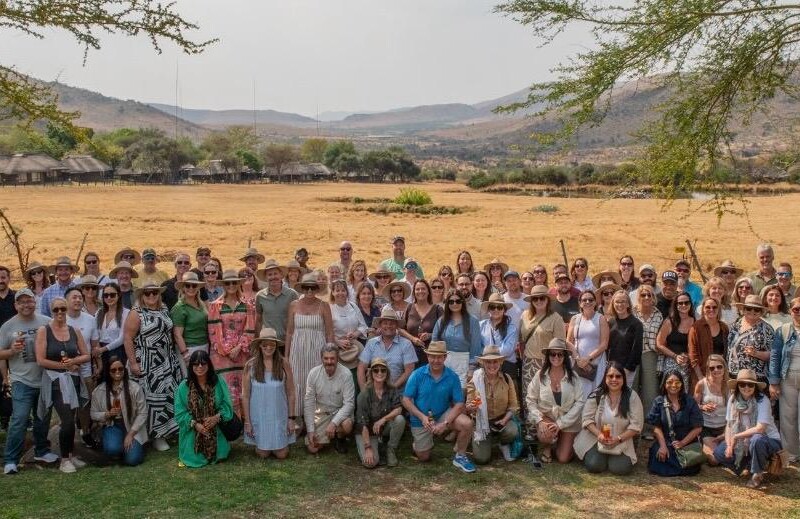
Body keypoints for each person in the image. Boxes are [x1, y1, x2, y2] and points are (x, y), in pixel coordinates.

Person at [0, 289, 59, 475]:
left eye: (29, 301)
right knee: (19, 419)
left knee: (43, 418)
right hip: (21, 380)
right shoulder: (8, 326)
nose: (26, 305)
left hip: (45, 378)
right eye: (22, 302)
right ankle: (10, 460)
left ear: (35, 303)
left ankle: (42, 451)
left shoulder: (46, 321)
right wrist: (11, 351)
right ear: (15, 305)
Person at [123, 281, 181, 452]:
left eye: (154, 292)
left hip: (166, 360)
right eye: (147, 293)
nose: (151, 296)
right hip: (147, 362)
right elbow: (128, 338)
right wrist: (133, 363)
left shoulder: (164, 309)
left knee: (168, 395)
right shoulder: (136, 313)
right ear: (141, 295)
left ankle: (167, 431)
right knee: (152, 399)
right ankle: (155, 436)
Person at [402, 341, 476, 472]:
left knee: (467, 423)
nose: (436, 360)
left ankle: (460, 456)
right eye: (432, 356)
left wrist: (445, 423)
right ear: (427, 356)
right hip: (421, 418)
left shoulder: (452, 376)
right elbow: (406, 399)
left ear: (445, 357)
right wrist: (422, 417)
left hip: (442, 414)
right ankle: (418, 445)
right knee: (424, 457)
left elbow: (459, 403)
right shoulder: (417, 374)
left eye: (439, 357)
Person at [35, 297, 90, 473]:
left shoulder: (74, 330)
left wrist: (74, 361)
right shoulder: (44, 331)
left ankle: (71, 455)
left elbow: (86, 355)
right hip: (55, 381)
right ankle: (64, 460)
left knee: (71, 420)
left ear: (67, 310)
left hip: (73, 379)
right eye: (56, 309)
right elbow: (40, 360)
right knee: (66, 420)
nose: (60, 312)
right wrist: (64, 366)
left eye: (62, 309)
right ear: (51, 311)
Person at [713, 369, 783, 488]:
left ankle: (757, 473)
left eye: (750, 384)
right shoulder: (733, 399)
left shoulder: (762, 400)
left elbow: (760, 429)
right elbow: (729, 425)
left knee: (757, 439)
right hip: (744, 442)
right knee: (719, 453)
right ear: (737, 386)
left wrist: (736, 436)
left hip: (768, 440)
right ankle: (748, 465)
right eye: (742, 384)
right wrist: (729, 446)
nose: (746, 387)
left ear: (755, 386)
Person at [573, 362, 644, 475]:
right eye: (610, 376)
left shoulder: (632, 396)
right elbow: (587, 419)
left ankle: (611, 458)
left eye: (618, 376)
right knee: (594, 466)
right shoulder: (597, 394)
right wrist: (599, 435)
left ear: (623, 378)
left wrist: (618, 439)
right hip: (596, 438)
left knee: (620, 469)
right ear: (605, 378)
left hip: (621, 439)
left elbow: (636, 425)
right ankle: (600, 456)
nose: (614, 379)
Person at [286, 273, 334, 432]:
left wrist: (331, 354)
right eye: (306, 287)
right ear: (302, 288)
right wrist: (286, 356)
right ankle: (298, 419)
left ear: (317, 289)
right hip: (297, 350)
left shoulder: (324, 306)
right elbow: (289, 332)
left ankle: (314, 420)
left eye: (312, 288)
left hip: (317, 351)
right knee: (297, 383)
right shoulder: (293, 305)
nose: (309, 291)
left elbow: (329, 333)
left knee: (316, 383)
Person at [526, 338, 584, 463]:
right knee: (545, 434)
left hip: (568, 420)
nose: (556, 357)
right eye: (552, 354)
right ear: (548, 356)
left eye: (560, 354)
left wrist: (560, 424)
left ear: (565, 356)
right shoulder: (540, 375)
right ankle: (548, 446)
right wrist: (539, 420)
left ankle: (563, 442)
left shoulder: (574, 377)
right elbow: (530, 400)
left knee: (563, 458)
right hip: (547, 418)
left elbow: (580, 402)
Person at [207, 269, 256, 417]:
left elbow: (250, 329)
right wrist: (228, 351)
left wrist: (239, 347)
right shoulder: (215, 306)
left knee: (243, 388)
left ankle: (244, 421)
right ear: (224, 285)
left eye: (234, 282)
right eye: (228, 283)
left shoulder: (247, 305)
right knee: (225, 388)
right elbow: (214, 332)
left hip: (242, 354)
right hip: (221, 356)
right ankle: (228, 421)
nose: (231, 285)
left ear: (238, 283)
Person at [242, 328, 296, 460]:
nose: (268, 347)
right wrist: (248, 422)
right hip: (260, 416)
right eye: (265, 344)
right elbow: (246, 396)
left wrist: (291, 419)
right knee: (263, 454)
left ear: (276, 345)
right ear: (259, 345)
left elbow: (291, 393)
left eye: (272, 344)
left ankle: (277, 443)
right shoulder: (250, 365)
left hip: (279, 415)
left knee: (282, 454)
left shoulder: (283, 364)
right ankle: (264, 444)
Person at [174, 350, 235, 468]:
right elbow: (180, 413)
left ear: (209, 365)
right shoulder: (183, 386)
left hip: (215, 425)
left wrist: (216, 417)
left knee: (220, 453)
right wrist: (195, 424)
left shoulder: (218, 381)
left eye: (203, 363)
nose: (200, 367)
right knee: (195, 459)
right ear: (191, 366)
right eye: (196, 364)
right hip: (193, 428)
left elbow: (227, 404)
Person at [466, 344, 520, 464]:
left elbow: (513, 406)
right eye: (488, 362)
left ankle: (503, 443)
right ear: (483, 363)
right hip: (481, 422)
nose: (492, 365)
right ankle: (484, 440)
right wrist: (472, 407)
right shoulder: (475, 379)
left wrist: (505, 420)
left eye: (495, 361)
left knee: (512, 430)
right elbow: (468, 407)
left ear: (500, 362)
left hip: (500, 421)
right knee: (481, 459)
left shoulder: (507, 379)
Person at [90, 356, 147, 466]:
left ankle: (132, 448)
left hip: (131, 425)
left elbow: (143, 413)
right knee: (112, 449)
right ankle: (117, 447)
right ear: (108, 372)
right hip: (112, 425)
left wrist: (131, 434)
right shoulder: (99, 391)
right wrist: (107, 414)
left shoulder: (134, 388)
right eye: (113, 370)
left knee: (133, 460)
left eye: (120, 369)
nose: (118, 372)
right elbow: (93, 414)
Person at [646, 369, 704, 476]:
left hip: (687, 443)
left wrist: (682, 443)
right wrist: (663, 446)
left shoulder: (690, 401)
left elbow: (698, 427)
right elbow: (655, 426)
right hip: (666, 442)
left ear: (682, 384)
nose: (674, 385)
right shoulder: (659, 401)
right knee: (657, 453)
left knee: (689, 462)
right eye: (669, 382)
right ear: (664, 384)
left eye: (677, 382)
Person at [519, 285, 566, 411]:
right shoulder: (524, 316)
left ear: (547, 299)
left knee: (546, 399)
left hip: (547, 364)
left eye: (542, 298)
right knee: (529, 397)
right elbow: (521, 340)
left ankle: (546, 424)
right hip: (528, 363)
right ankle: (530, 424)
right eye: (535, 298)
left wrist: (556, 366)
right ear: (531, 301)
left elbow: (560, 345)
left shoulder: (556, 318)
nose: (539, 301)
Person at [64, 286, 100, 448]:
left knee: (86, 402)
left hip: (86, 368)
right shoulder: (61, 319)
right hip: (66, 369)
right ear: (66, 301)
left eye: (80, 297)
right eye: (74, 297)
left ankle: (86, 432)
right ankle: (68, 434)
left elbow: (95, 345)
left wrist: (98, 364)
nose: (78, 300)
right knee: (68, 404)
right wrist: (69, 363)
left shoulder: (90, 319)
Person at [355, 357, 405, 468]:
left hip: (383, 427)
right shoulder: (364, 394)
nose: (379, 373)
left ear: (387, 373)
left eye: (383, 370)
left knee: (400, 419)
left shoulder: (392, 389)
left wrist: (383, 420)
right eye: (376, 370)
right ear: (371, 373)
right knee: (370, 463)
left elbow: (399, 409)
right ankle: (371, 446)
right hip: (367, 431)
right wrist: (367, 447)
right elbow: (362, 424)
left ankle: (390, 449)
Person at [304, 345, 355, 454]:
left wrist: (334, 423)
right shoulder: (313, 373)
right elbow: (308, 403)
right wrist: (310, 430)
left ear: (337, 358)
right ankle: (329, 436)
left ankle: (340, 438)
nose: (329, 361)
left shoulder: (346, 374)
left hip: (340, 412)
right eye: (326, 358)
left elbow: (349, 404)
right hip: (322, 413)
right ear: (321, 358)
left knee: (347, 424)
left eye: (332, 358)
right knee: (313, 448)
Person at [768, 296, 800, 464]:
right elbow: (775, 356)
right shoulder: (784, 330)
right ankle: (791, 454)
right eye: (796, 309)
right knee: (788, 418)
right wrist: (773, 382)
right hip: (788, 377)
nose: (799, 313)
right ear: (790, 311)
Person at [432, 289, 482, 388]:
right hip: (443, 362)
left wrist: (471, 369)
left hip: (464, 362)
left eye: (458, 301)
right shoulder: (441, 321)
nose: (455, 304)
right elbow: (434, 343)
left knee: (460, 393)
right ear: (447, 304)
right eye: (451, 301)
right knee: (444, 393)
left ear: (463, 302)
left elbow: (475, 346)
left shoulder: (473, 321)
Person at [358, 308, 417, 390]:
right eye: (385, 323)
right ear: (380, 325)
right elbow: (361, 368)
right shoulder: (371, 343)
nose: (388, 326)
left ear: (397, 326)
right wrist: (364, 391)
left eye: (392, 323)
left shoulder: (406, 344)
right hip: (374, 392)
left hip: (398, 392)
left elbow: (409, 370)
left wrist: (392, 389)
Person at [632, 284, 662, 435]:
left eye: (649, 295)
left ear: (653, 297)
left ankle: (649, 429)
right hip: (633, 352)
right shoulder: (632, 312)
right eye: (643, 295)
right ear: (638, 297)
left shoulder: (658, 315)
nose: (646, 297)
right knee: (632, 389)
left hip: (651, 353)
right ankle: (633, 426)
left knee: (650, 392)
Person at [567, 289, 609, 399]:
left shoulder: (601, 318)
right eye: (584, 300)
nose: (587, 302)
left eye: (590, 300)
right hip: (577, 363)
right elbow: (568, 341)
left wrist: (588, 359)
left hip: (595, 364)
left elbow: (604, 344)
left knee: (593, 396)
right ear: (580, 303)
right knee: (577, 395)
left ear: (595, 302)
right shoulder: (575, 319)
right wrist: (578, 359)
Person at [329, 279, 368, 385]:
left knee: (356, 377)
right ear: (332, 292)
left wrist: (355, 334)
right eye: (337, 290)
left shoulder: (353, 306)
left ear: (347, 292)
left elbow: (363, 326)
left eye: (343, 290)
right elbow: (326, 331)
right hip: (337, 350)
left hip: (355, 348)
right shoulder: (329, 309)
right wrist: (338, 342)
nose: (340, 293)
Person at [728, 295, 773, 382]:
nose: (752, 311)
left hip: (756, 379)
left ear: (761, 312)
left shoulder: (767, 329)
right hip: (733, 375)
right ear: (744, 310)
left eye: (756, 309)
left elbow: (773, 355)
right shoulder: (735, 325)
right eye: (749, 308)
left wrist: (756, 353)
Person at [688, 297, 730, 389]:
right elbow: (693, 355)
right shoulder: (696, 327)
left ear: (718, 309)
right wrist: (701, 378)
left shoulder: (724, 327)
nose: (711, 309)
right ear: (703, 309)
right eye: (708, 307)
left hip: (720, 374)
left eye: (714, 307)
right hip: (702, 374)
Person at [656, 292, 695, 387]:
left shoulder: (695, 321)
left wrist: (689, 357)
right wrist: (675, 356)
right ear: (676, 305)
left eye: (686, 302)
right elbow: (659, 344)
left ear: (690, 304)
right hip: (671, 360)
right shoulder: (669, 322)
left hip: (689, 363)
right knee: (672, 387)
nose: (683, 305)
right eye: (680, 303)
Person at [400, 279, 443, 366]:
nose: (420, 291)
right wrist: (413, 338)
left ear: (428, 291)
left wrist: (430, 335)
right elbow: (401, 329)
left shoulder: (438, 309)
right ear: (414, 292)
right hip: (410, 355)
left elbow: (445, 331)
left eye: (423, 289)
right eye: (417, 289)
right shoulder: (409, 308)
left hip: (432, 356)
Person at [255, 259, 298, 342]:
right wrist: (257, 340)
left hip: (287, 341)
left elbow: (297, 319)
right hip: (268, 343)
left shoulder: (292, 294)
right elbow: (259, 320)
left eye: (275, 273)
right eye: (270, 274)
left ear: (281, 275)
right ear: (266, 277)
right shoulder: (260, 296)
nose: (273, 277)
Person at [171, 272, 208, 367]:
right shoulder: (180, 307)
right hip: (190, 349)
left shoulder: (201, 304)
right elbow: (177, 335)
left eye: (194, 285)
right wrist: (185, 354)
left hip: (205, 346)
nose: (191, 288)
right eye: (188, 285)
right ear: (183, 288)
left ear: (198, 287)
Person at [694, 354, 728, 458]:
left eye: (719, 367)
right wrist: (702, 407)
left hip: (725, 427)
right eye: (712, 368)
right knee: (714, 459)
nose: (716, 370)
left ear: (724, 367)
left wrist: (727, 432)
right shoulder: (702, 384)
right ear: (708, 370)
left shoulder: (730, 385)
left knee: (725, 455)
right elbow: (693, 407)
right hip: (707, 428)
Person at [479, 293, 520, 381]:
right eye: (493, 307)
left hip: (506, 367)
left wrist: (488, 353)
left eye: (499, 307)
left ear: (504, 310)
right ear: (488, 309)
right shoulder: (481, 325)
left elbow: (508, 350)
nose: (496, 310)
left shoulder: (511, 328)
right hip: (486, 366)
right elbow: (478, 346)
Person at [606, 290, 644, 383]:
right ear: (613, 304)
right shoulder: (611, 322)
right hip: (611, 368)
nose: (620, 304)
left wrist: (627, 369)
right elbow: (607, 346)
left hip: (627, 369)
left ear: (628, 304)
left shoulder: (636, 324)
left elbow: (637, 349)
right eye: (617, 302)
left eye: (623, 301)